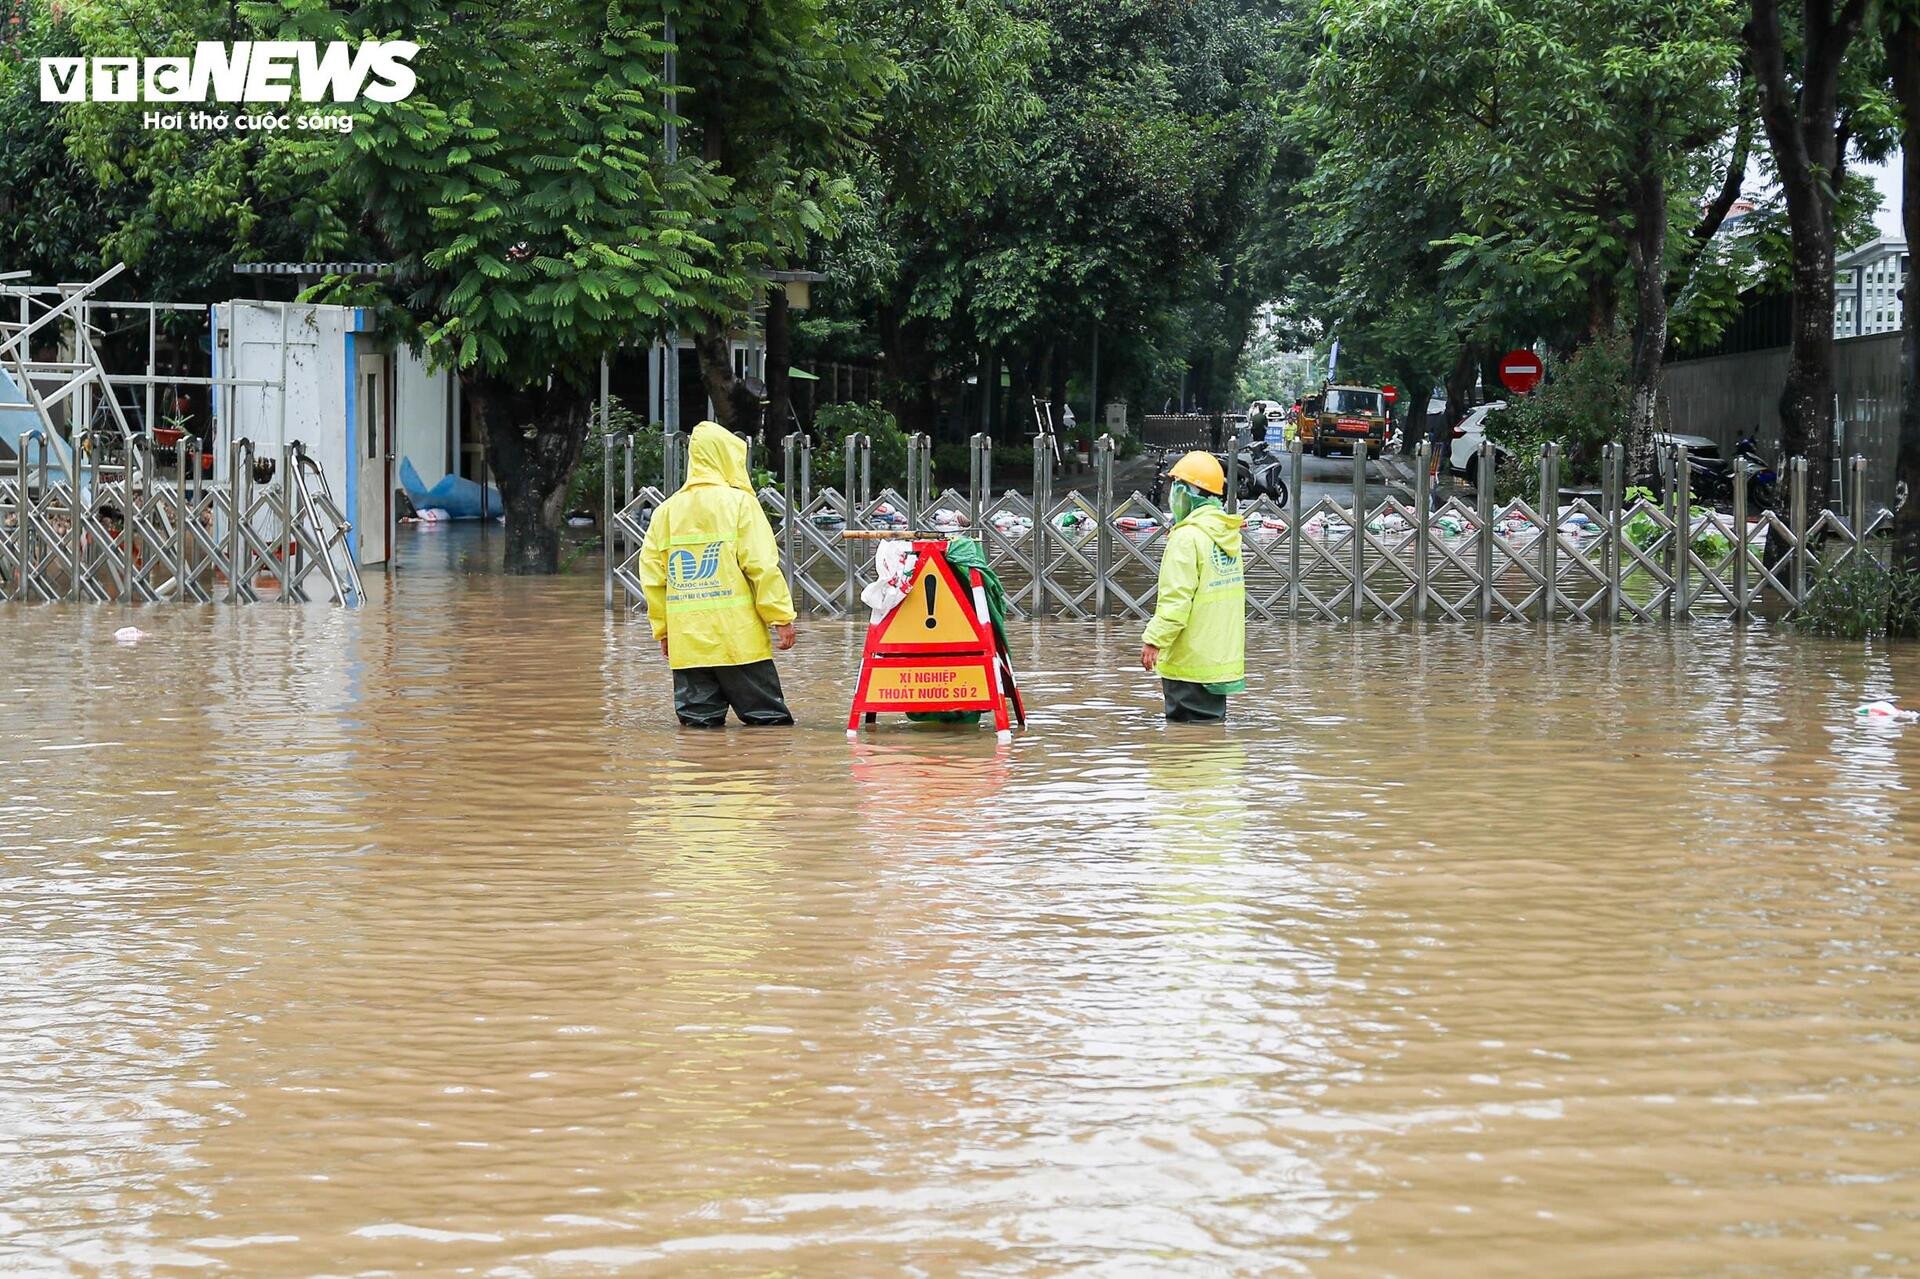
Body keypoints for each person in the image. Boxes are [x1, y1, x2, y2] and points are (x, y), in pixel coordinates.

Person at [640, 420, 799, 727]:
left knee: (698, 729)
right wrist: (780, 617)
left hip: (688, 643)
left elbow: (653, 580)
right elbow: (762, 566)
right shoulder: (741, 504)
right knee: (769, 725)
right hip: (739, 642)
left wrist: (664, 631)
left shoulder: (665, 512)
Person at [1140, 451, 1246, 723]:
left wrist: (1154, 639)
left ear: (1188, 492)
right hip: (1217, 661)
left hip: (1189, 663)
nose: (1172, 494)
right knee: (1210, 735)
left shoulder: (1187, 538)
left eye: (1176, 486)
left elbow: (1176, 600)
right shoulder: (1225, 533)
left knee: (1185, 741)